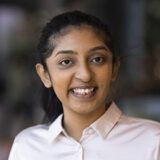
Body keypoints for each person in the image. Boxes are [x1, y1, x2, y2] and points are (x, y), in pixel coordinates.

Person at [8, 10, 160, 160]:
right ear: (45, 75)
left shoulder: (153, 141)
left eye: (97, 59)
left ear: (114, 68)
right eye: (66, 62)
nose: (85, 74)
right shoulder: (26, 147)